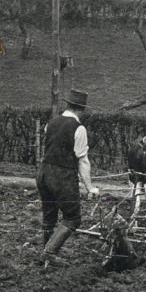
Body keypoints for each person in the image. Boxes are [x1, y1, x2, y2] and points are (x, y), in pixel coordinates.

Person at [37, 89, 99, 268]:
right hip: (62, 176)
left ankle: (46, 253)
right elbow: (83, 160)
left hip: (43, 173)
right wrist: (90, 188)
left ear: (67, 105)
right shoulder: (78, 128)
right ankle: (49, 253)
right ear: (82, 109)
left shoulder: (51, 123)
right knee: (73, 218)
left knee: (49, 215)